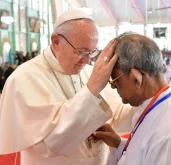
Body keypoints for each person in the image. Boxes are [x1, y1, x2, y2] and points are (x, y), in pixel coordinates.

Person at [0, 9, 120, 165]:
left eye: (92, 52)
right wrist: (91, 89)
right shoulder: (24, 78)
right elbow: (49, 144)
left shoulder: (88, 72)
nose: (86, 61)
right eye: (81, 51)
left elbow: (118, 114)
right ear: (56, 42)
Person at [92, 32, 171, 165]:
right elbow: (146, 153)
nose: (113, 86)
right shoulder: (159, 104)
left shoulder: (169, 132)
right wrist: (118, 143)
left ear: (136, 78)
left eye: (115, 80)